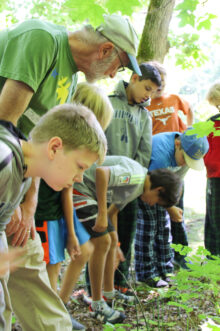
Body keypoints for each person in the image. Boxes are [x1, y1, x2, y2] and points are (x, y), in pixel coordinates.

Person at [0, 13, 140, 330]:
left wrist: (29, 203)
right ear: (105, 50)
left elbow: (40, 143)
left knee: (28, 260)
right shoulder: (43, 39)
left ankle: (55, 325)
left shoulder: (70, 81)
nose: (112, 75)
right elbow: (4, 128)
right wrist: (11, 205)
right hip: (3, 180)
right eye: (118, 66)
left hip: (16, 188)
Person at [0, 103, 107, 331]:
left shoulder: (24, 174)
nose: (79, 178)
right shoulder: (4, 161)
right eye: (79, 166)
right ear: (54, 148)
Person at [73, 155, 182, 324]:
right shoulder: (136, 176)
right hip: (79, 188)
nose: (153, 205)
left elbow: (113, 212)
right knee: (103, 242)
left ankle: (109, 294)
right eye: (158, 202)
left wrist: (115, 241)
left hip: (90, 194)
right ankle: (97, 304)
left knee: (111, 242)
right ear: (159, 189)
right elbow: (102, 173)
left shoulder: (136, 189)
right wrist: (101, 214)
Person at [35, 82, 113, 310]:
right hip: (48, 212)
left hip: (57, 210)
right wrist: (70, 232)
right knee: (50, 270)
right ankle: (51, 314)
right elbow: (65, 190)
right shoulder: (67, 143)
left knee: (76, 254)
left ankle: (59, 307)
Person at [104, 62, 161, 294]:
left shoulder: (145, 116)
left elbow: (144, 152)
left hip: (129, 188)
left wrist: (133, 182)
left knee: (125, 236)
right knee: (103, 237)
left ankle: (120, 283)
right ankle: (96, 286)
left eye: (153, 92)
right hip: (103, 182)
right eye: (147, 88)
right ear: (135, 78)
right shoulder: (107, 102)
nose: (148, 95)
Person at [135, 128, 209, 287]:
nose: (185, 163)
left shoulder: (186, 154)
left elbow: (177, 182)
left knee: (164, 228)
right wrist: (171, 207)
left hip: (163, 190)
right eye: (184, 159)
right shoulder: (161, 154)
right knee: (149, 228)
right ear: (177, 144)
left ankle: (165, 269)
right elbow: (152, 188)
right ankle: (146, 273)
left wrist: (173, 205)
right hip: (146, 188)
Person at [147, 61, 194, 268]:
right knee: (160, 210)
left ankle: (181, 254)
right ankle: (159, 256)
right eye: (158, 83)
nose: (161, 87)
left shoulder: (174, 99)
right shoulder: (145, 103)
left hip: (177, 155)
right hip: (158, 157)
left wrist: (188, 131)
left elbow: (189, 109)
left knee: (177, 208)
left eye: (164, 82)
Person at [204, 82, 220, 256]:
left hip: (215, 174)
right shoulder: (211, 123)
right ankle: (214, 255)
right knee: (214, 217)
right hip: (214, 175)